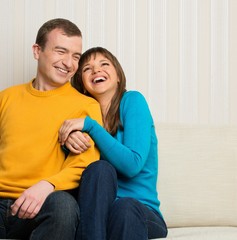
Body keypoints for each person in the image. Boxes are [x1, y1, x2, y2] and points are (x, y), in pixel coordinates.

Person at [0, 19, 102, 240]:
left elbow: (84, 164)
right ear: (38, 51)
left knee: (64, 206)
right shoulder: (6, 97)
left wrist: (47, 185)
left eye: (76, 56)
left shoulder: (85, 106)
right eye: (61, 51)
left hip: (43, 202)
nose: (68, 63)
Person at [59, 47, 168, 240]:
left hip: (139, 212)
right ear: (82, 84)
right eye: (87, 69)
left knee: (124, 206)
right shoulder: (80, 117)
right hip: (96, 217)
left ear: (118, 76)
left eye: (104, 64)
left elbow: (132, 165)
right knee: (99, 169)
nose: (96, 71)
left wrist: (91, 127)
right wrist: (67, 140)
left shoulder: (132, 101)